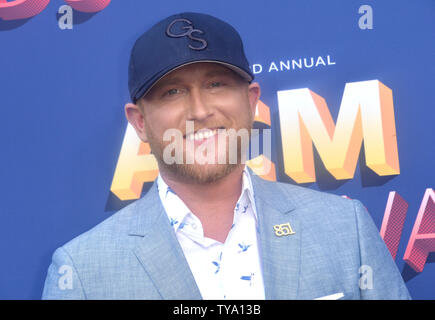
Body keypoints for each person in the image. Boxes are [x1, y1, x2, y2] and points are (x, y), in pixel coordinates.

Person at [42, 12, 410, 300]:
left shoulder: (346, 228)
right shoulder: (83, 272)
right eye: (172, 92)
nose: (200, 110)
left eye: (216, 84)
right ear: (139, 121)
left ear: (250, 102)